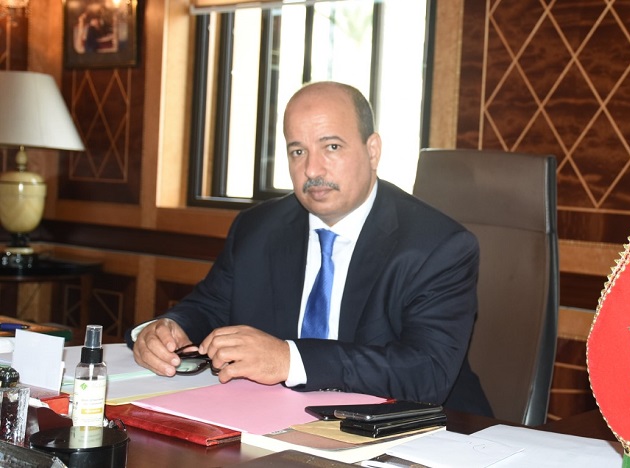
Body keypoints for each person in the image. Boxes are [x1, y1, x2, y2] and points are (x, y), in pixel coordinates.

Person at [129, 81, 492, 417]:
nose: (312, 169)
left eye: (331, 147)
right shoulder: (257, 228)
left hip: (420, 430)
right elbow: (210, 306)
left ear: (372, 151)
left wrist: (290, 360)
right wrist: (170, 328)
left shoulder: (437, 246)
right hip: (277, 421)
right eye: (298, 151)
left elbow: (427, 371)